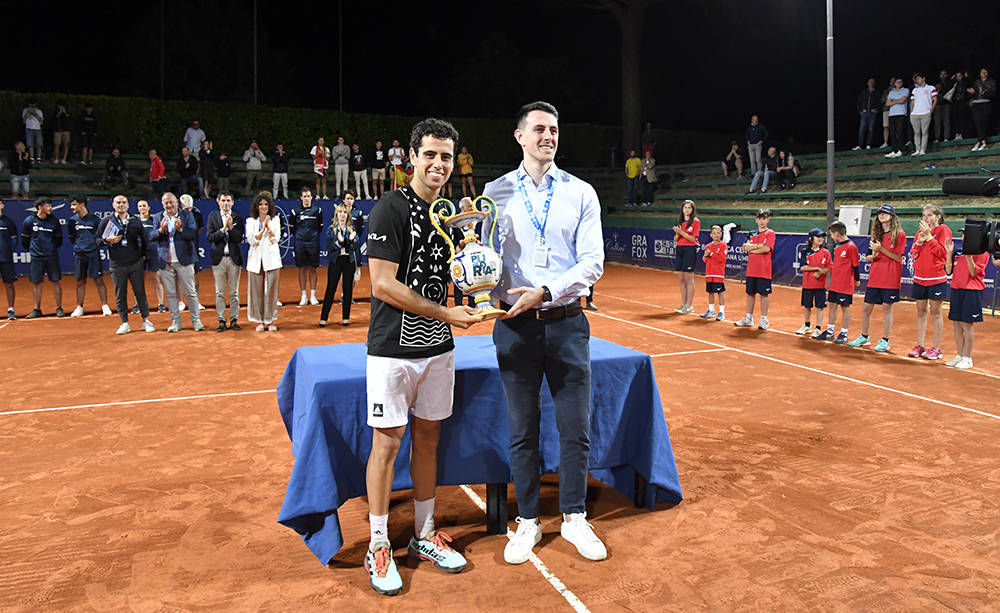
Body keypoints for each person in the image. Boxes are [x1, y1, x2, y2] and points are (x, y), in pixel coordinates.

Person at [483, 101, 607, 566]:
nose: (548, 136)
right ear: (520, 136)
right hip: (515, 327)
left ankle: (574, 516)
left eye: (553, 129)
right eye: (538, 129)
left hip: (568, 322)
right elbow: (485, 256)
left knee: (575, 429)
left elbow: (592, 261)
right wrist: (478, 285)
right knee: (522, 430)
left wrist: (546, 291)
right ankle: (529, 520)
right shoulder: (494, 193)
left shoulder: (581, 193)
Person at [363, 118, 481, 596]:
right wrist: (447, 312)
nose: (438, 164)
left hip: (438, 350)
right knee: (387, 446)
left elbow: (460, 273)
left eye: (446, 157)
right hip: (393, 350)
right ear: (411, 156)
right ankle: (377, 545)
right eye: (429, 154)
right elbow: (382, 285)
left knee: (428, 442)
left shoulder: (450, 215)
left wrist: (476, 282)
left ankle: (423, 534)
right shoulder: (388, 209)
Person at [849, 204, 905, 352]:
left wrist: (882, 250)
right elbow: (867, 257)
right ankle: (864, 336)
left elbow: (898, 258)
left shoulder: (899, 234)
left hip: (891, 276)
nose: (882, 215)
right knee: (867, 307)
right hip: (875, 276)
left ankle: (885, 340)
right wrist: (873, 255)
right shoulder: (876, 235)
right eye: (880, 213)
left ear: (892, 216)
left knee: (887, 307)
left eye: (885, 213)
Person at [97, 195, 155, 335]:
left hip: (135, 263)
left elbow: (145, 240)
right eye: (118, 203)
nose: (121, 205)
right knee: (120, 294)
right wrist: (107, 240)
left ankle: (146, 320)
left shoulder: (134, 221)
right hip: (117, 264)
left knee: (140, 292)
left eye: (124, 203)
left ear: (128, 205)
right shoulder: (107, 221)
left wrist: (143, 257)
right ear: (113, 205)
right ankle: (124, 322)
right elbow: (97, 241)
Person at [152, 192, 204, 332]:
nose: (169, 205)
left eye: (171, 202)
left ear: (177, 203)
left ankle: (196, 320)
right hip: (165, 261)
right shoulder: (158, 217)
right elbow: (151, 236)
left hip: (184, 259)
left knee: (191, 292)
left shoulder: (187, 215)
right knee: (170, 293)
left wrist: (181, 229)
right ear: (162, 204)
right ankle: (176, 321)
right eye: (165, 203)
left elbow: (193, 234)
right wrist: (161, 230)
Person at [908, 205, 951, 360]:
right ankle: (920, 345)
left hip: (936, 278)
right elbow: (912, 255)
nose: (926, 218)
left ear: (938, 217)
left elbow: (942, 253)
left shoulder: (943, 230)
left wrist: (929, 237)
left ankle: (936, 348)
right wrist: (919, 242)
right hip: (919, 277)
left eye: (930, 215)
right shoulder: (920, 233)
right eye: (924, 215)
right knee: (921, 312)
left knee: (935, 313)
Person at [944, 233, 990, 370]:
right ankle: (959, 355)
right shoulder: (958, 251)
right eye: (963, 234)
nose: (965, 236)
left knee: (967, 325)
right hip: (957, 289)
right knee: (957, 324)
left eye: (967, 234)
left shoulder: (982, 252)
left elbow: (974, 272)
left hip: (972, 290)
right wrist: (949, 253)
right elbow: (948, 270)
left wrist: (969, 257)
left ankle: (967, 358)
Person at [67, 195, 112, 317]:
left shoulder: (95, 220)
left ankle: (105, 306)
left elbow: (100, 237)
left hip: (93, 253)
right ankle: (79, 307)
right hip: (79, 254)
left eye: (74, 204)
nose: (71, 207)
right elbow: (72, 237)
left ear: (82, 205)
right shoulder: (72, 221)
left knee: (98, 280)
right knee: (80, 281)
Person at [21, 197, 65, 318]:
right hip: (36, 257)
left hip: (51, 256)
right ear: (40, 207)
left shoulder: (54, 221)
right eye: (48, 206)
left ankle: (59, 308)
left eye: (50, 205)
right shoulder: (29, 221)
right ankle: (36, 309)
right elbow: (25, 240)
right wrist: (35, 250)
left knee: (55, 281)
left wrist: (50, 248)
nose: (50, 208)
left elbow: (59, 240)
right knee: (37, 283)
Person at [206, 192, 244, 332]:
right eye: (223, 200)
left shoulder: (238, 217)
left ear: (232, 202)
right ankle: (221, 320)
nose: (226, 203)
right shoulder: (213, 217)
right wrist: (223, 230)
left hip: (233, 258)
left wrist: (231, 228)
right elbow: (210, 237)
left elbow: (239, 238)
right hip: (218, 258)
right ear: (218, 201)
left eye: (228, 200)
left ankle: (234, 319)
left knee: (234, 292)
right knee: (219, 292)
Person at [246, 191, 282, 331]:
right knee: (257, 291)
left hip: (272, 259)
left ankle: (270, 319)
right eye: (260, 204)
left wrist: (269, 228)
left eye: (266, 204)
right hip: (256, 260)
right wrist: (262, 229)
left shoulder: (276, 220)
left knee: (271, 291)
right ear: (256, 207)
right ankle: (259, 320)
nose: (263, 207)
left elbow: (276, 238)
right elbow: (252, 241)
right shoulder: (250, 221)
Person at [319, 203, 361, 327]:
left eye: (344, 212)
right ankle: (323, 318)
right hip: (335, 262)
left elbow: (356, 246)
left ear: (348, 216)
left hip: (348, 262)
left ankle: (346, 318)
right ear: (336, 214)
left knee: (348, 290)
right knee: (330, 289)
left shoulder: (351, 230)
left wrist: (352, 240)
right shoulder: (330, 230)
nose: (342, 215)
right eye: (340, 212)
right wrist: (338, 242)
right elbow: (329, 247)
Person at [734, 208, 775, 330]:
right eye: (759, 219)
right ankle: (749, 318)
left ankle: (764, 319)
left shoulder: (770, 233)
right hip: (751, 269)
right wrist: (757, 246)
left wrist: (752, 249)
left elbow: (766, 249)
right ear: (756, 220)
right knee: (750, 294)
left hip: (764, 270)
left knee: (764, 294)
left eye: (764, 219)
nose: (762, 221)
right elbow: (744, 247)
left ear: (768, 220)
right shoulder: (751, 233)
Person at [823, 221, 860, 344]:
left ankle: (844, 333)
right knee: (832, 305)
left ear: (837, 234)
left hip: (845, 283)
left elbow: (856, 265)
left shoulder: (852, 247)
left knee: (845, 307)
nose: (831, 237)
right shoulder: (837, 246)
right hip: (835, 282)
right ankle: (830, 331)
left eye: (831, 234)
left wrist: (857, 279)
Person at [289, 187, 322, 306]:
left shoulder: (317, 211)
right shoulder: (295, 211)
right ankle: (303, 296)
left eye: (309, 196)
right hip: (300, 243)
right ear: (301, 198)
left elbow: (320, 227)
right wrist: (300, 236)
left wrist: (312, 237)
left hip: (313, 242)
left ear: (311, 197)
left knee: (313, 268)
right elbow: (292, 227)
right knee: (302, 268)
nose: (307, 199)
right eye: (305, 196)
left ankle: (313, 296)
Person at [796, 228, 832, 338]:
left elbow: (829, 267)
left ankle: (818, 328)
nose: (821, 239)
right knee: (807, 306)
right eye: (818, 237)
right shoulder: (804, 251)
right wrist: (817, 268)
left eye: (822, 237)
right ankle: (807, 326)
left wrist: (820, 273)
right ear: (811, 239)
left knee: (820, 307)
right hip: (807, 284)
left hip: (820, 285)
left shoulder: (826, 253)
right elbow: (803, 267)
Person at [136, 199, 166, 313]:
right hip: (139, 252)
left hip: (153, 251)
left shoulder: (154, 221)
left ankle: (161, 303)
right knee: (138, 279)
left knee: (155, 277)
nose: (142, 208)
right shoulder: (135, 221)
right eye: (140, 206)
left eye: (144, 205)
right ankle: (137, 304)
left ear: (148, 208)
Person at [179, 194, 206, 312]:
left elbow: (197, 232)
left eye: (190, 208)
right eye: (186, 208)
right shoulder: (178, 216)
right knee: (180, 277)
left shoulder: (197, 215)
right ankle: (180, 302)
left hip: (193, 250)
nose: (189, 210)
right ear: (181, 206)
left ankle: (196, 301)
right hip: (179, 249)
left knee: (194, 276)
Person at [673, 199, 700, 314]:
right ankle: (683, 304)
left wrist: (682, 232)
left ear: (692, 210)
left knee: (689, 279)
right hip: (679, 249)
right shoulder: (679, 221)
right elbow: (675, 239)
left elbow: (693, 239)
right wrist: (677, 233)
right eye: (685, 207)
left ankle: (689, 305)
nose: (687, 209)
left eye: (689, 207)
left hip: (690, 250)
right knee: (682, 279)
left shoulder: (695, 222)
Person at [699, 224, 727, 321]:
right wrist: (706, 256)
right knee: (710, 292)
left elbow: (721, 259)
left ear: (721, 234)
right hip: (709, 273)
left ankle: (722, 312)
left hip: (718, 273)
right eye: (714, 233)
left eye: (718, 233)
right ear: (711, 235)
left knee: (720, 292)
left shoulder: (723, 245)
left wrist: (711, 253)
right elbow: (705, 259)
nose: (716, 235)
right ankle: (711, 311)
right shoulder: (708, 246)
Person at [909, 73, 937, 157]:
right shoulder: (915, 90)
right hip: (915, 113)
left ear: (923, 78)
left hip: (925, 112)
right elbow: (912, 102)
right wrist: (911, 112)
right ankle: (917, 149)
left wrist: (930, 110)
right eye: (916, 79)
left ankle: (923, 149)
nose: (917, 80)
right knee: (916, 132)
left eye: (918, 78)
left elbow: (935, 99)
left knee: (924, 132)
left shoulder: (931, 88)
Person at [968, 68, 996, 151]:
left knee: (983, 122)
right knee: (978, 122)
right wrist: (972, 92)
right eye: (981, 72)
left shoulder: (991, 82)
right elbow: (974, 93)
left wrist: (983, 91)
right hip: (976, 103)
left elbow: (992, 94)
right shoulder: (977, 82)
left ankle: (980, 141)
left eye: (985, 72)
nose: (983, 74)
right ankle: (982, 141)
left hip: (985, 103)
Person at [0, 197, 18, 320]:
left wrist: (7, 252)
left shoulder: (8, 222)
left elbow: (14, 240)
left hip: (6, 258)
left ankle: (11, 309)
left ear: (2, 205)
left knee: (9, 284)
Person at [884, 78, 910, 158]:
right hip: (892, 114)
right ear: (895, 83)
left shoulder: (905, 90)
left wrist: (893, 101)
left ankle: (900, 150)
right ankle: (894, 150)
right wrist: (897, 100)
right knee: (892, 132)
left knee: (900, 131)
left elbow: (903, 101)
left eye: (900, 82)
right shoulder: (892, 92)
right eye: (897, 82)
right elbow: (887, 103)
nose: (899, 83)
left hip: (901, 113)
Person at [855, 78, 880, 150]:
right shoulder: (864, 92)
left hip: (872, 112)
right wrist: (860, 110)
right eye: (870, 82)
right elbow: (859, 101)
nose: (871, 83)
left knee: (871, 129)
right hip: (864, 112)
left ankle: (868, 144)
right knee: (862, 129)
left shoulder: (877, 93)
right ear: (867, 83)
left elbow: (879, 102)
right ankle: (860, 145)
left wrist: (877, 109)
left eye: (872, 82)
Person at [934, 70, 955, 143]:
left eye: (944, 74)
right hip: (938, 104)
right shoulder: (936, 84)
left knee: (946, 121)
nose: (943, 76)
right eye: (941, 74)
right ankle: (937, 138)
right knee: (937, 121)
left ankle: (946, 137)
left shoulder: (950, 83)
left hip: (946, 103)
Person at [951, 70, 969, 140]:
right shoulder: (955, 84)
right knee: (956, 118)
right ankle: (957, 133)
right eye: (957, 76)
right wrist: (952, 80)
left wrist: (966, 78)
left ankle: (962, 133)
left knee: (962, 118)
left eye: (960, 76)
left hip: (963, 101)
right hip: (956, 102)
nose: (958, 78)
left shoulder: (965, 83)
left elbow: (968, 86)